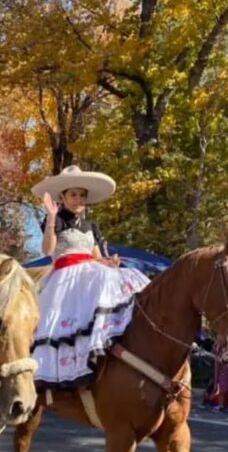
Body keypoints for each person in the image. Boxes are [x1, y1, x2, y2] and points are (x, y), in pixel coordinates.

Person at [29, 165, 150, 389]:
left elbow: (96, 258)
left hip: (90, 273)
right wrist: (52, 218)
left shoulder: (90, 226)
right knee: (59, 326)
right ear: (62, 197)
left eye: (82, 195)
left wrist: (109, 262)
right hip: (64, 277)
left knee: (126, 278)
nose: (78, 199)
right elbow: (47, 251)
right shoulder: (55, 220)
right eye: (73, 195)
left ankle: (110, 351)